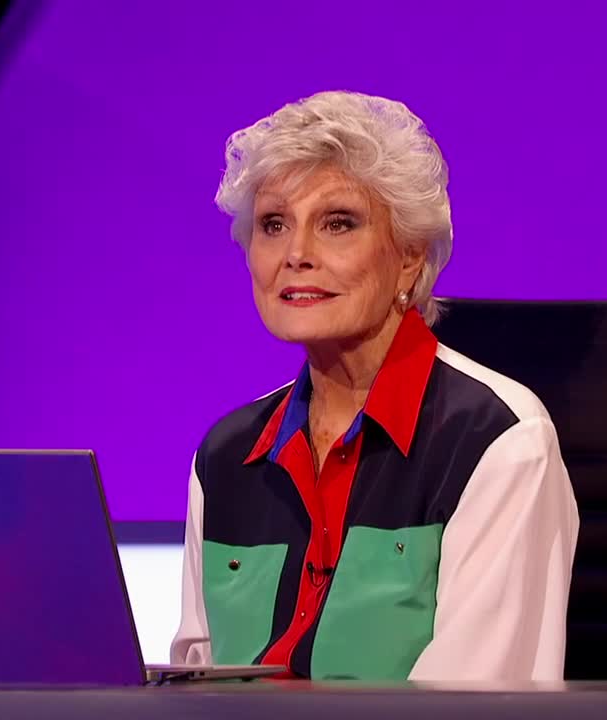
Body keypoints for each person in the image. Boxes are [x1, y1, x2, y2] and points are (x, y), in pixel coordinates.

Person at [170, 90, 579, 682]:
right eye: (274, 224)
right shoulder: (225, 455)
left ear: (409, 258)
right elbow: (196, 682)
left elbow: (476, 701)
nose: (296, 254)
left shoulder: (498, 441)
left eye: (338, 223)